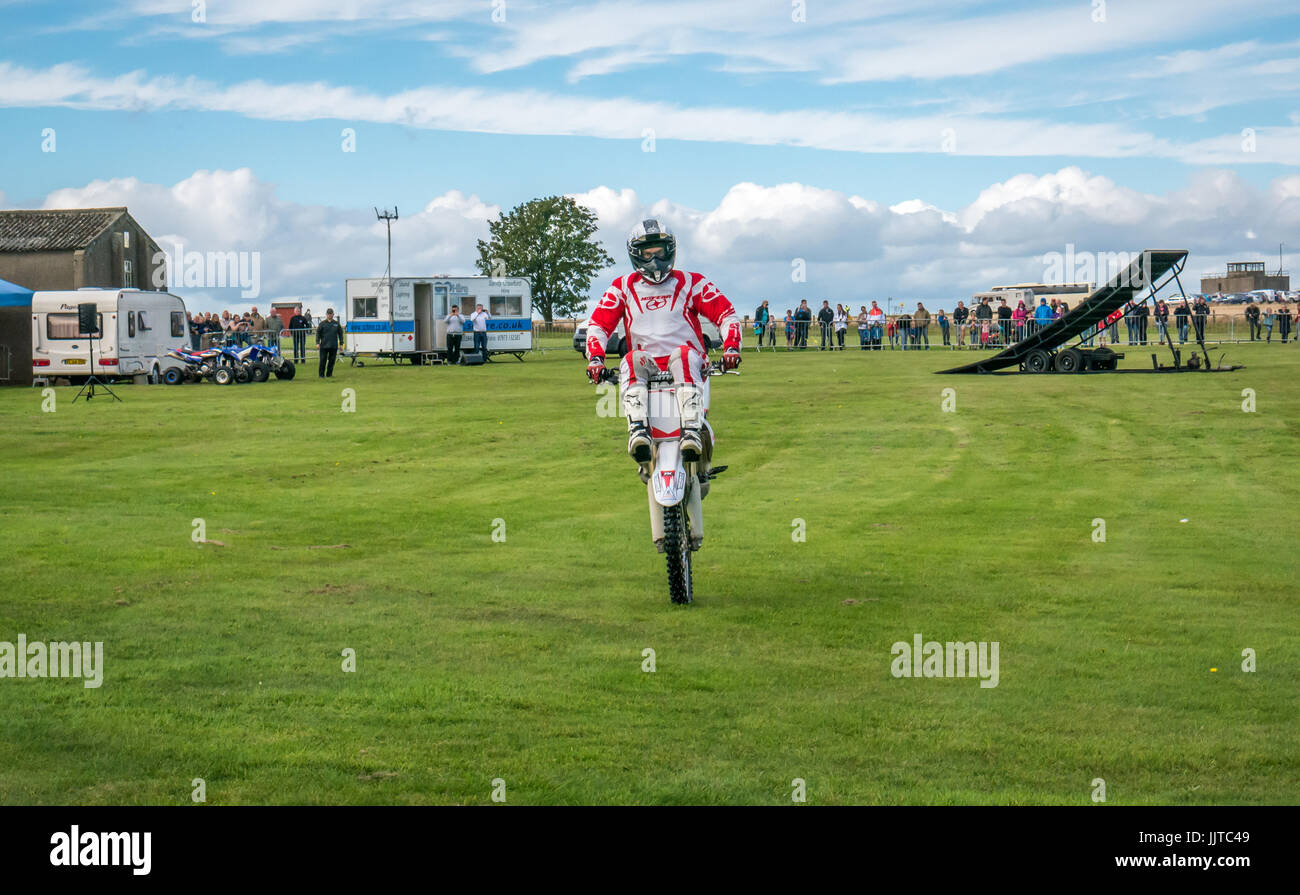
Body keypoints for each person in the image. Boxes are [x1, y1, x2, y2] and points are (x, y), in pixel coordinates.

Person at [582, 218, 741, 470]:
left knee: (684, 353)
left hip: (690, 367)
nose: (654, 258)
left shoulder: (692, 282)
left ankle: (692, 429)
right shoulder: (622, 287)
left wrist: (731, 346)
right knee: (630, 359)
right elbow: (599, 325)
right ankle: (638, 430)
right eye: (648, 252)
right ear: (636, 254)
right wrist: (596, 359)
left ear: (671, 250)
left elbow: (725, 314)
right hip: (650, 371)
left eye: (660, 251)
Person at [316, 308, 344, 378]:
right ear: (326, 314)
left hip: (333, 345)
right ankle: (321, 375)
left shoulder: (336, 324)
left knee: (332, 361)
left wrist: (341, 344)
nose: (330, 315)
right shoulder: (322, 324)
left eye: (331, 314)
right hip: (324, 346)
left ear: (333, 314)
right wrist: (317, 342)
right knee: (323, 361)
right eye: (328, 314)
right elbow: (318, 333)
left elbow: (340, 334)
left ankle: (329, 374)